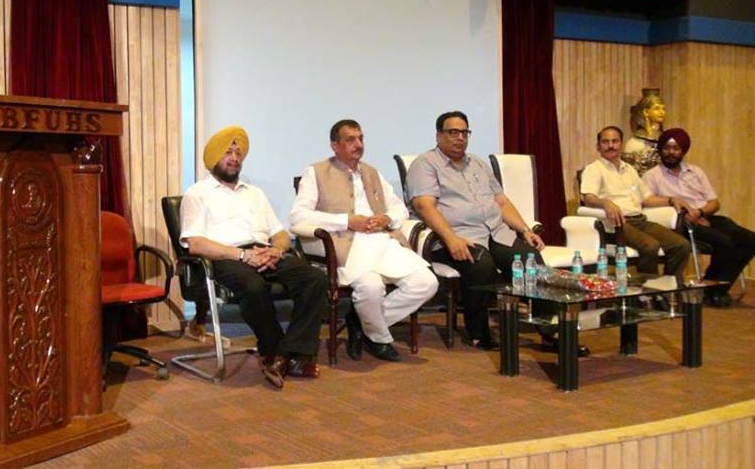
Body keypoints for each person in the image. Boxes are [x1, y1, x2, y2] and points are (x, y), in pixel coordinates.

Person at [180, 126, 328, 388]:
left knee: (314, 278)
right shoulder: (197, 193)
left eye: (238, 153)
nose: (234, 158)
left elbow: (279, 233)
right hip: (224, 256)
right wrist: (243, 255)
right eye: (228, 152)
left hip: (263, 251)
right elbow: (195, 244)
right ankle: (273, 350)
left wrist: (276, 250)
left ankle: (288, 354)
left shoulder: (255, 193)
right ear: (214, 157)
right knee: (253, 285)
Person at [289, 120, 438, 362]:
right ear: (335, 145)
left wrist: (386, 219)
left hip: (382, 241)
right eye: (350, 139)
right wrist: (346, 221)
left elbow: (399, 208)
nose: (358, 144)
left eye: (360, 138)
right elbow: (298, 217)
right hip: (348, 246)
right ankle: (378, 337)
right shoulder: (315, 172)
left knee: (426, 282)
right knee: (370, 288)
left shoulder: (372, 172)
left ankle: (360, 322)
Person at [406, 111, 546, 351]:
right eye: (453, 132)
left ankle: (552, 330)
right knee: (481, 264)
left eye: (464, 132)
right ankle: (479, 333)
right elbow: (423, 206)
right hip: (456, 236)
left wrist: (524, 230)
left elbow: (501, 201)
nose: (460, 138)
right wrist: (451, 238)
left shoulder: (478, 163)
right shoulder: (425, 164)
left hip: (495, 232)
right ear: (438, 135)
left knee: (529, 259)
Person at [642, 128, 755, 307]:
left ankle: (715, 289)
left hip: (705, 216)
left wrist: (700, 212)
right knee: (725, 242)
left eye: (676, 148)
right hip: (682, 223)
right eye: (666, 148)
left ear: (683, 151)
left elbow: (714, 202)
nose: (670, 152)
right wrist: (676, 204)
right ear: (660, 150)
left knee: (749, 239)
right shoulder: (652, 176)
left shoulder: (695, 172)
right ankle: (715, 291)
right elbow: (646, 201)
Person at [580, 126, 690, 277]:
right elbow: (588, 198)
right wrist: (606, 203)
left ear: (621, 144)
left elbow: (647, 198)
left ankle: (668, 285)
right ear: (598, 146)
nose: (611, 145)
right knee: (650, 246)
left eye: (615, 141)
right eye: (605, 142)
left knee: (681, 245)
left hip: (640, 220)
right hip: (616, 223)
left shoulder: (629, 170)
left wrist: (671, 200)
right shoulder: (594, 169)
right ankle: (647, 288)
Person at [622, 88, 667, 175]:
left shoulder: (666, 139)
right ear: (646, 112)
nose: (662, 112)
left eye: (663, 109)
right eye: (657, 108)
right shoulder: (635, 142)